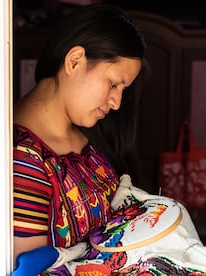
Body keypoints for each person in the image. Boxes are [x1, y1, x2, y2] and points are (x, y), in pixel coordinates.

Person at [13, 3, 146, 272]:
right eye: (113, 83)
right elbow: (32, 268)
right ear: (74, 61)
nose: (117, 102)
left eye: (123, 89)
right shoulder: (25, 162)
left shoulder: (86, 136)